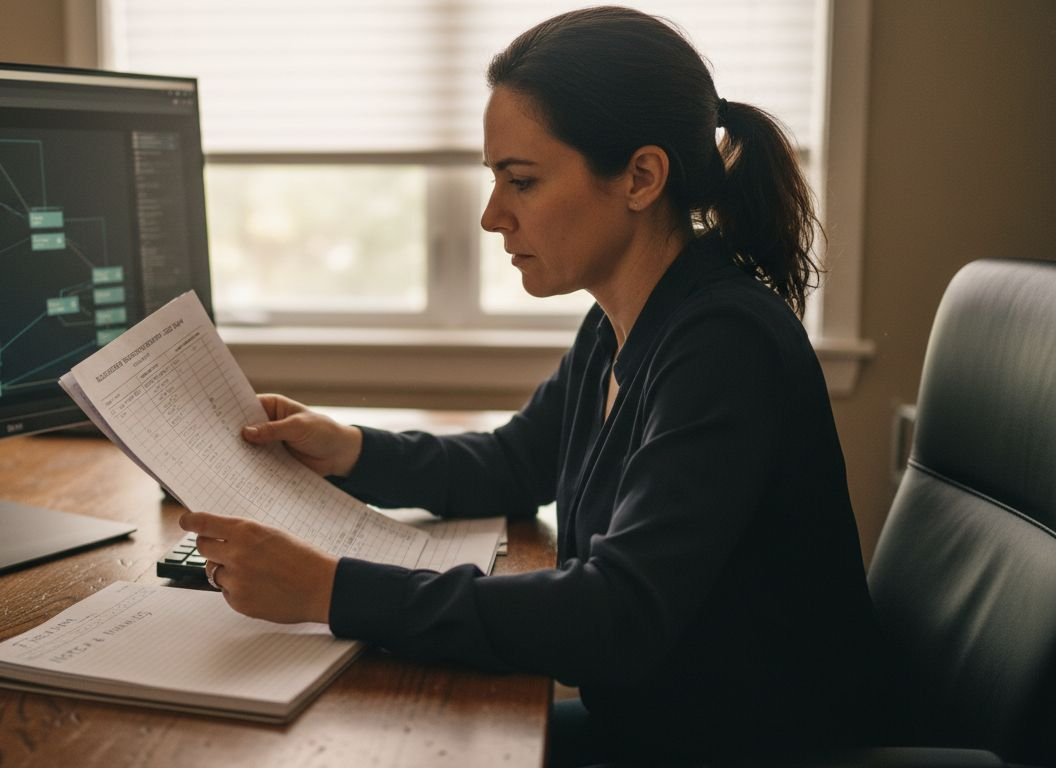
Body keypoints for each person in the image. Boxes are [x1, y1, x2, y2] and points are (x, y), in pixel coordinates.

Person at [181, 6, 893, 764]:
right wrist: (348, 449)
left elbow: (616, 615)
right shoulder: (621, 319)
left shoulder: (724, 346)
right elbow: (515, 463)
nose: (492, 217)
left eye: (521, 181)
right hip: (666, 728)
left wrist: (328, 590)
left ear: (641, 177)